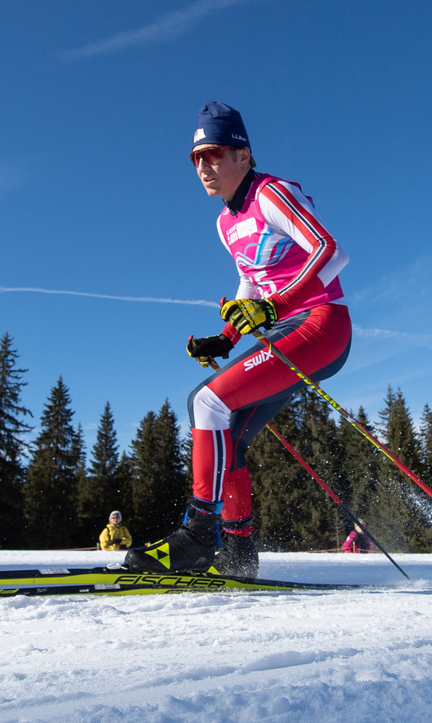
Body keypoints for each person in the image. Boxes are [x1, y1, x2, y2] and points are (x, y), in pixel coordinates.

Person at [126, 102, 351, 579]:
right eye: (196, 159)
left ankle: (198, 534)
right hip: (285, 327)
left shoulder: (271, 193)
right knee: (227, 435)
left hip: (321, 324)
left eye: (213, 154)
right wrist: (225, 338)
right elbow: (252, 282)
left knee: (206, 402)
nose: (204, 166)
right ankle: (239, 551)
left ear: (242, 156)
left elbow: (331, 252)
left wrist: (274, 307)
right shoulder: (225, 223)